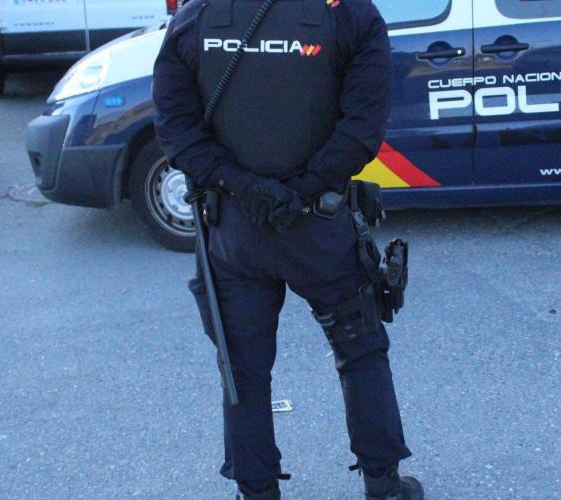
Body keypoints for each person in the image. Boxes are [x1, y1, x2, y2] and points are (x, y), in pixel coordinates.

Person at [152, 0, 423, 498]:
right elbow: (362, 129)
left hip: (236, 229)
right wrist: (302, 191)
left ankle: (256, 492)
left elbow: (176, 128)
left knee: (243, 370)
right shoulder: (351, 13)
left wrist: (243, 187)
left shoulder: (197, 14)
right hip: (320, 227)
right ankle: (384, 486)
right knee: (360, 349)